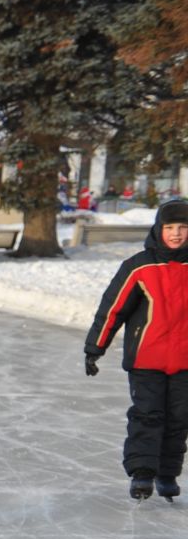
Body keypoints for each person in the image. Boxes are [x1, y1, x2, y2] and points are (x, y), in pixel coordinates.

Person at [84, 198, 188, 501]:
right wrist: (95, 347)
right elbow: (112, 309)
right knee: (148, 415)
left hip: (185, 362)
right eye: (170, 227)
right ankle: (142, 474)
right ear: (159, 229)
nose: (177, 233)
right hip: (147, 359)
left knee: (180, 419)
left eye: (183, 227)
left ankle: (167, 474)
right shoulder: (139, 267)